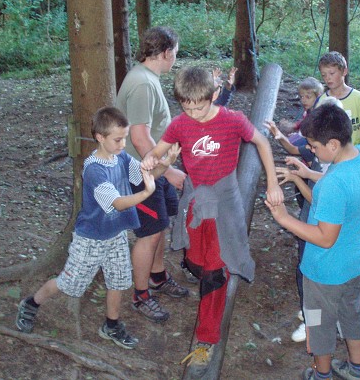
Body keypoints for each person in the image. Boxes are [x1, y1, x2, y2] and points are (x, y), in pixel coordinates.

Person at [141, 66, 284, 373]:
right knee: (194, 262)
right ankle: (202, 269)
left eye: (199, 106)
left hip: (225, 198)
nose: (192, 113)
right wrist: (155, 159)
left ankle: (206, 340)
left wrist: (272, 182)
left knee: (214, 273)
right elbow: (158, 152)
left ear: (215, 95)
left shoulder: (232, 120)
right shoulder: (180, 124)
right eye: (186, 107)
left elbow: (261, 142)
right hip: (195, 198)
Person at [15, 107, 179, 349]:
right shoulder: (94, 170)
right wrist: (146, 192)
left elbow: (146, 173)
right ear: (100, 137)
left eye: (124, 137)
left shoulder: (121, 157)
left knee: (118, 280)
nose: (123, 144)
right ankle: (32, 303)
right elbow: (117, 203)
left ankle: (111, 325)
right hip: (91, 239)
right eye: (118, 139)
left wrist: (165, 165)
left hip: (117, 235)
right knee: (69, 283)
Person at [265, 103, 360, 380]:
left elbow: (325, 238)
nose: (312, 151)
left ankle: (322, 375)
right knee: (352, 312)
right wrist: (304, 174)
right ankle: (357, 370)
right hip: (358, 262)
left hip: (325, 273)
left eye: (314, 147)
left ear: (332, 143)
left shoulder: (333, 185)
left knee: (318, 324)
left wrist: (283, 218)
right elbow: (336, 193)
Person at [115, 26, 189, 323]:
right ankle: (141, 294)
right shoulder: (143, 84)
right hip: (140, 173)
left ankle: (157, 277)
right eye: (175, 54)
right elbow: (139, 138)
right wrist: (169, 171)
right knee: (148, 234)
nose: (175, 59)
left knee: (160, 225)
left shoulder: (146, 78)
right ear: (166, 53)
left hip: (154, 170)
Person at [179, 65, 237, 284]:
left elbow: (220, 102)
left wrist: (227, 85)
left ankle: (206, 261)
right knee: (193, 221)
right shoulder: (189, 119)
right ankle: (190, 261)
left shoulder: (212, 113)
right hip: (196, 184)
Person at [317, 51, 360, 147]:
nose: (328, 78)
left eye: (332, 73)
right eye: (324, 75)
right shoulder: (322, 101)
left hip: (356, 152)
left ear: (344, 71)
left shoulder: (358, 98)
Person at [277, 77, 325, 146]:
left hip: (315, 139)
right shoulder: (308, 110)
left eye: (308, 97)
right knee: (288, 140)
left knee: (289, 143)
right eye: (302, 97)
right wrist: (295, 126)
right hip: (306, 135)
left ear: (318, 97)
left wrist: (300, 134)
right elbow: (305, 120)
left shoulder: (319, 113)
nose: (303, 100)